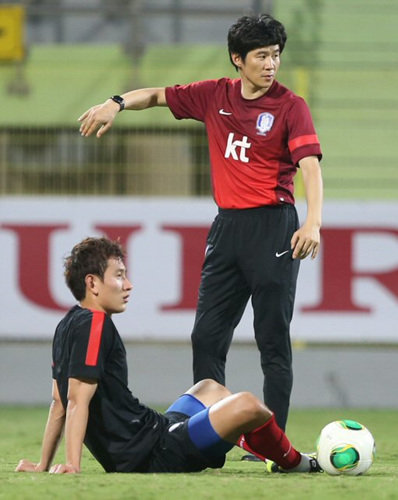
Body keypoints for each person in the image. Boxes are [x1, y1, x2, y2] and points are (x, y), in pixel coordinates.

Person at [77, 14, 323, 438]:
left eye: (276, 55)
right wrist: (115, 103)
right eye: (261, 56)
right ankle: (209, 435)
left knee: (272, 339)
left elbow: (310, 167)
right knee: (206, 336)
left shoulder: (290, 106)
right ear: (237, 59)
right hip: (227, 229)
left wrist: (314, 223)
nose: (270, 64)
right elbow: (155, 95)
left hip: (275, 228)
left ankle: (273, 442)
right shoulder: (213, 95)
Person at [15, 236, 322, 474]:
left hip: (154, 431)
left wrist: (44, 464)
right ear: (92, 283)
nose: (128, 285)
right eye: (119, 275)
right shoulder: (95, 324)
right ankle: (299, 462)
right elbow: (75, 401)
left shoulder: (67, 323)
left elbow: (58, 400)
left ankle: (235, 438)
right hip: (154, 454)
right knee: (249, 405)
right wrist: (73, 465)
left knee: (210, 387)